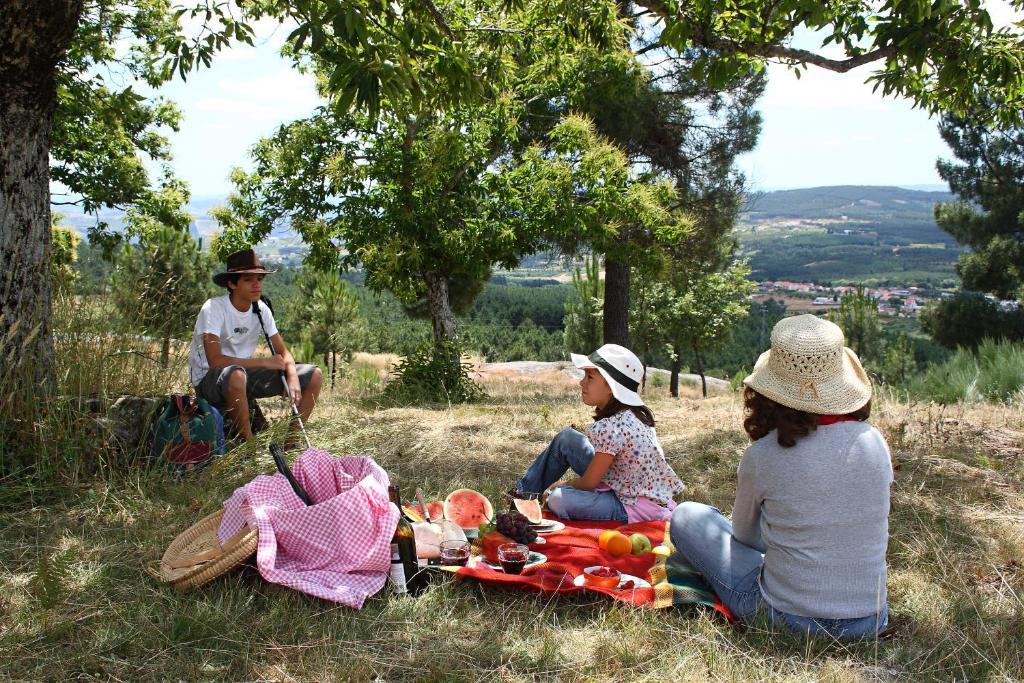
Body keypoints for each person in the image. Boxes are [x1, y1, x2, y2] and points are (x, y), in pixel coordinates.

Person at [669, 314, 892, 638]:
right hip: (870, 619)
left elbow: (746, 538)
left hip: (786, 618)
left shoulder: (763, 456)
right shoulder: (874, 441)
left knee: (687, 515)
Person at [512, 344, 685, 523]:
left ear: (611, 386)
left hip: (632, 504)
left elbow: (588, 483)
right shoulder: (633, 415)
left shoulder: (614, 428)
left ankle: (529, 500)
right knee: (567, 438)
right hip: (623, 481)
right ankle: (521, 497)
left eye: (590, 377)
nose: (582, 382)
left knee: (558, 498)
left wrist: (565, 484)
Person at [187, 249, 323, 444]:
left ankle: (292, 442)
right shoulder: (214, 308)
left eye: (260, 278)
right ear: (232, 283)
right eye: (248, 279)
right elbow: (216, 361)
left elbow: (282, 351)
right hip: (210, 380)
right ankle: (249, 445)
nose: (256, 284)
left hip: (243, 376)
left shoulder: (260, 309)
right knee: (236, 375)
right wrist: (264, 362)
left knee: (315, 375)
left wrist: (292, 375)